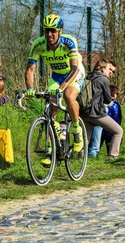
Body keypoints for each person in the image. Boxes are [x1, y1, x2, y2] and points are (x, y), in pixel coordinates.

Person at [24, 14, 86, 166]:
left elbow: (75, 68)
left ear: (60, 31)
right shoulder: (38, 44)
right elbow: (30, 70)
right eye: (46, 31)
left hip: (74, 73)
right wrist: (30, 89)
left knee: (69, 96)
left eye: (53, 30)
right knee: (49, 111)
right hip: (57, 76)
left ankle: (77, 131)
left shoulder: (69, 42)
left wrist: (62, 88)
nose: (49, 34)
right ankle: (51, 151)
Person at [80, 59, 123, 158]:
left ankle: (79, 160)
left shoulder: (88, 77)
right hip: (96, 113)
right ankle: (112, 156)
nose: (111, 73)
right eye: (109, 70)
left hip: (84, 112)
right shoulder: (103, 79)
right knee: (118, 131)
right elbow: (108, 99)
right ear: (103, 68)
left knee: (85, 139)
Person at [102, 85, 122, 156]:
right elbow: (116, 118)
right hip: (110, 132)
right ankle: (111, 157)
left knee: (96, 146)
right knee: (110, 147)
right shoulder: (115, 105)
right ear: (114, 94)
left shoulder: (102, 103)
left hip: (101, 130)